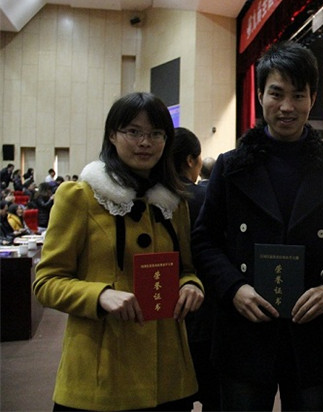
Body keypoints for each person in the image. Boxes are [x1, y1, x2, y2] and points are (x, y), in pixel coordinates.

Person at [192, 41, 323, 411]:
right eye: (276, 93)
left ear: (312, 98)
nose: (287, 107)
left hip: (312, 327)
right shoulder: (230, 167)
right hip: (245, 325)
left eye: (298, 95)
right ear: (259, 96)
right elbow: (204, 240)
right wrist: (234, 288)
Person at [32, 92, 205, 411]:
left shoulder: (173, 202)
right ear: (112, 135)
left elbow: (186, 269)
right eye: (133, 131)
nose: (145, 142)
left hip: (167, 376)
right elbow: (46, 282)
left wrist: (191, 285)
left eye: (156, 133)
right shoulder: (80, 198)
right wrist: (100, 295)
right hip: (102, 374)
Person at [171, 126, 220, 411]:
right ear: (191, 160)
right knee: (215, 397)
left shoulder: (152, 198)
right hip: (209, 312)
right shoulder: (206, 198)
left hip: (166, 315)